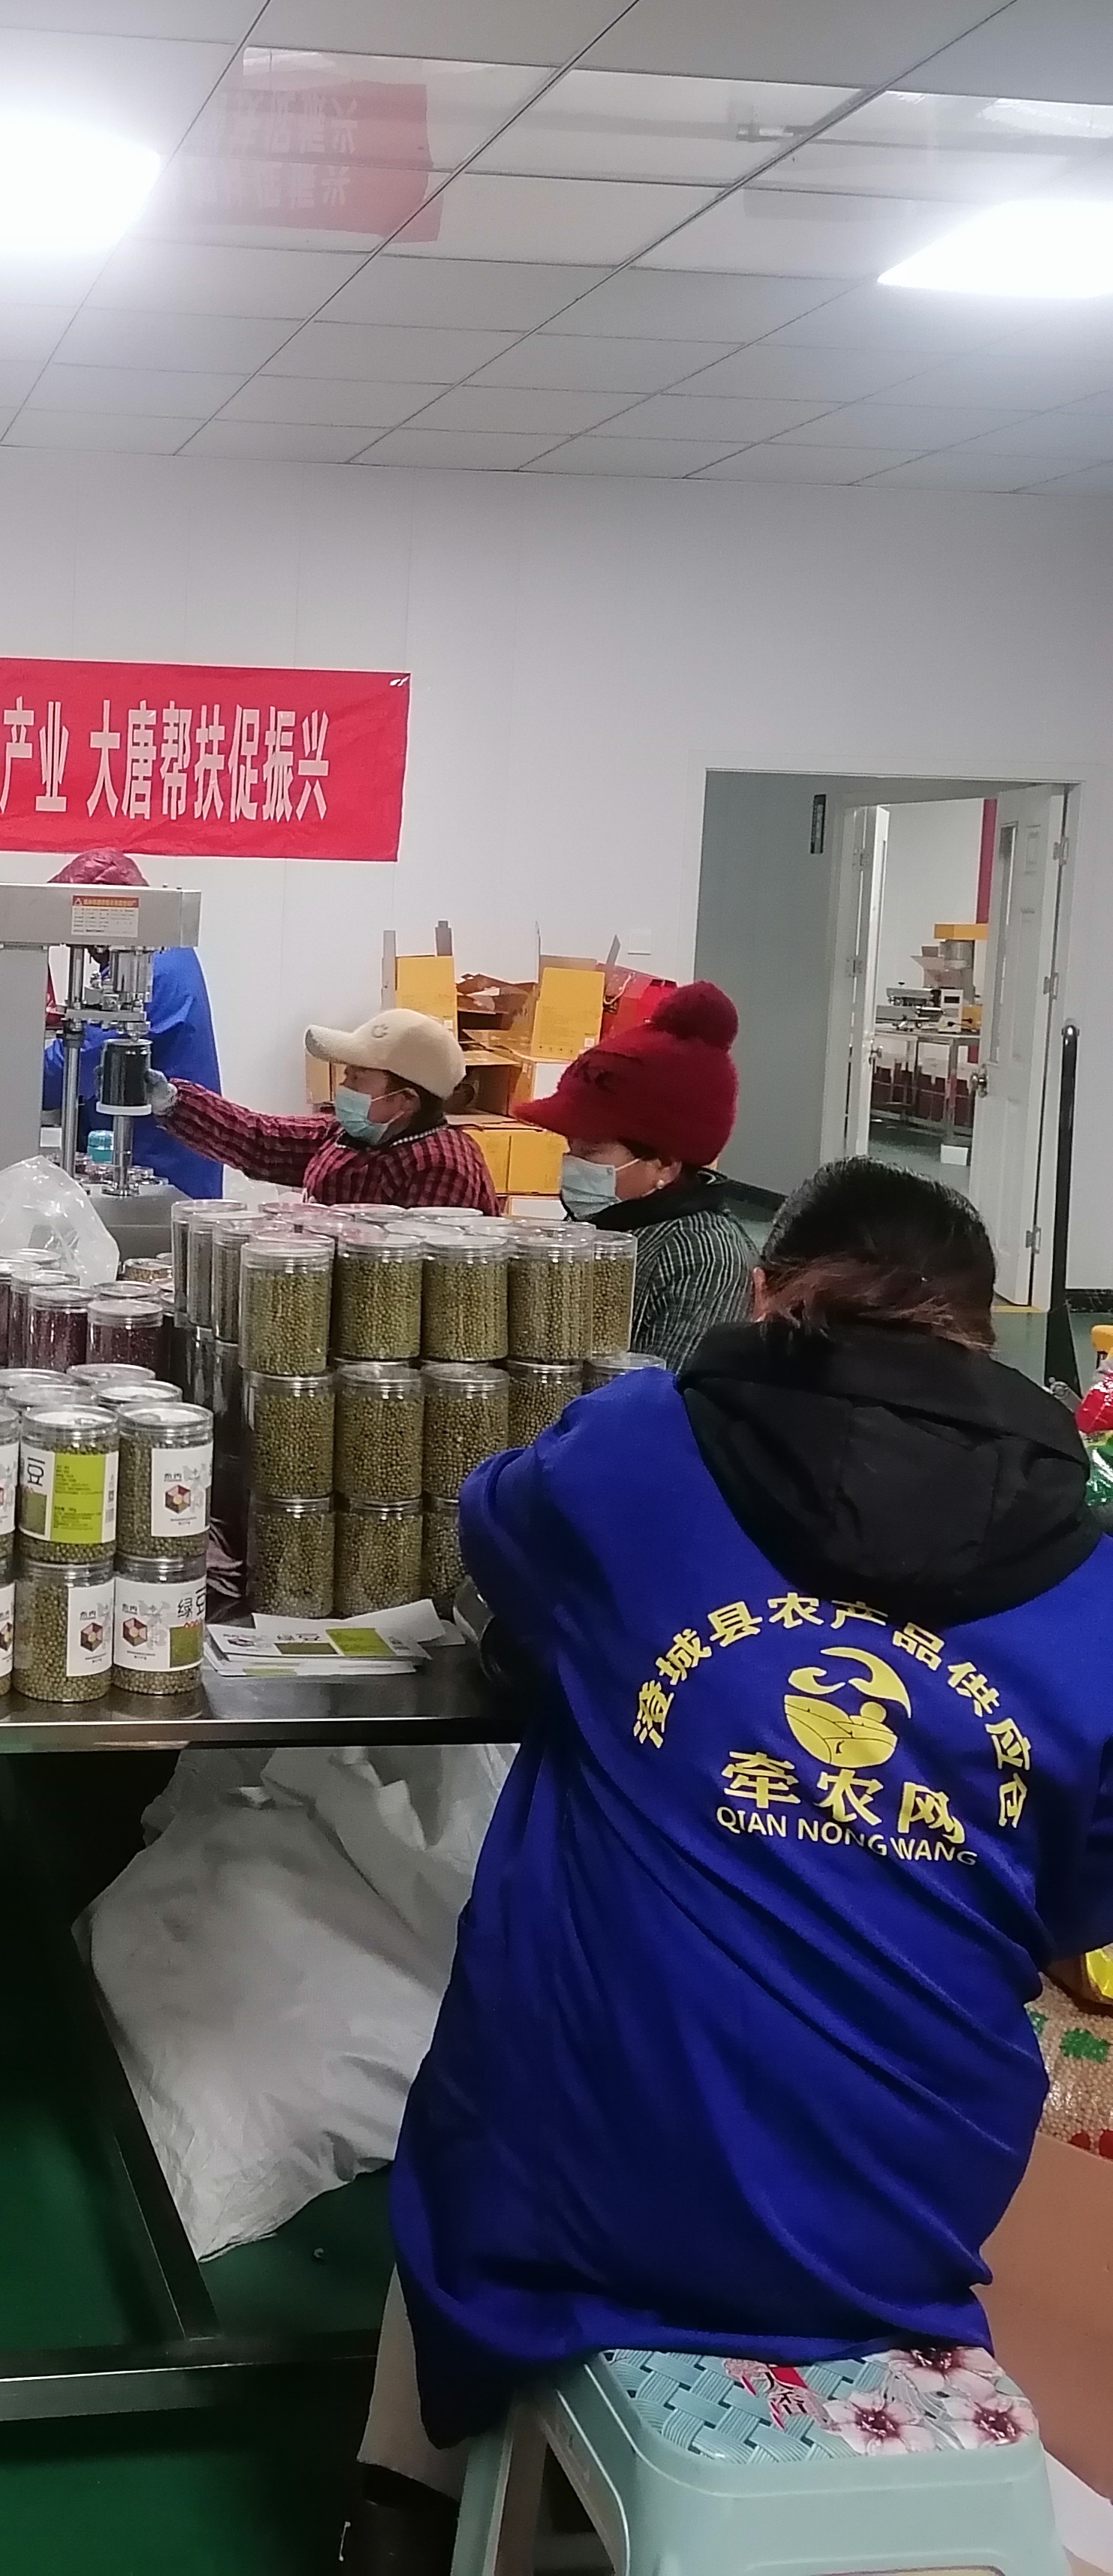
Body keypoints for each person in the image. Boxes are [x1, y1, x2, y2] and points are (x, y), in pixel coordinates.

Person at [337, 1160, 1113, 2574]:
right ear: (980, 1330)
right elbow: (1079, 1928)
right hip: (903, 2216)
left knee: (481, 2100)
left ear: (763, 1294)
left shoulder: (638, 1451)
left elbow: (496, 1531)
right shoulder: (1095, 1585)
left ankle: (403, 2506)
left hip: (588, 2182)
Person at [514, 981, 755, 1371]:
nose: (573, 1163)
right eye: (571, 1146)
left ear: (665, 1165)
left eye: (592, 1150)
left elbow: (664, 1392)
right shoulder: (603, 1220)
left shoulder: (706, 1261)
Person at [149, 1008, 499, 1213]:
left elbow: (405, 1272)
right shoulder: (350, 1136)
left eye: (358, 1077)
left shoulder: (442, 1166)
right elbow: (260, 1140)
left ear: (406, 1100)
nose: (343, 1087)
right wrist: (172, 1100)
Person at [40, 851, 224, 1197]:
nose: (86, 951)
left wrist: (18, 1083)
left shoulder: (148, 970)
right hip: (154, 1153)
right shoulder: (165, 953)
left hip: (161, 1166)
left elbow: (84, 1057)